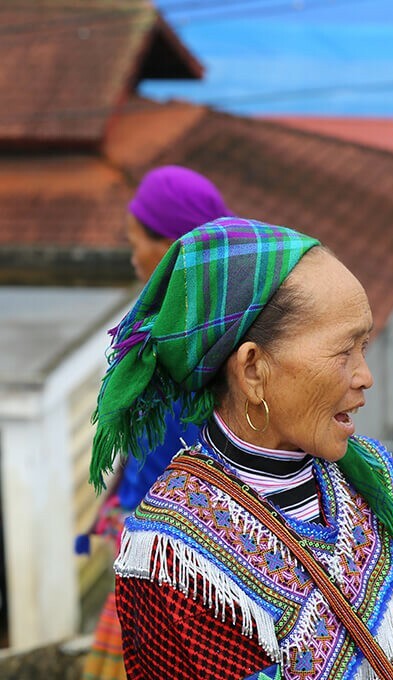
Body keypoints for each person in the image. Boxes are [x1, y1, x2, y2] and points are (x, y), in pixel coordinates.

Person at [90, 218, 393, 680]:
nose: (365, 376)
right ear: (253, 369)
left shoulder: (371, 477)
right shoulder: (177, 557)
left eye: (364, 345)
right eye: (344, 352)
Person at [81, 165, 232, 680]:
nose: (131, 255)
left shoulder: (162, 339)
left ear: (170, 246)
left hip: (169, 549)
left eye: (135, 241)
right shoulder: (230, 321)